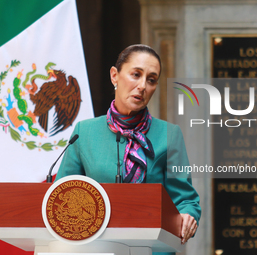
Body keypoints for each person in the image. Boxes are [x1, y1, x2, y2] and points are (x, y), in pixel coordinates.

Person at [55, 44, 201, 255]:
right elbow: (62, 195)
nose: (142, 86)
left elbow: (185, 199)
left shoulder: (169, 134)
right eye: (136, 74)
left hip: (152, 249)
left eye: (151, 80)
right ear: (115, 76)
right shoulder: (84, 132)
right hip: (94, 249)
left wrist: (188, 216)